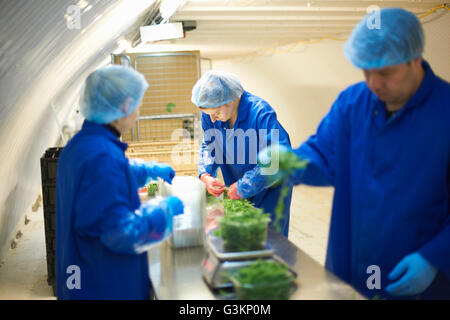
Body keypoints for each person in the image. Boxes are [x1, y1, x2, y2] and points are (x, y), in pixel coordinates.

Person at [258, 8, 450, 299]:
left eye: (385, 72)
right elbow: (323, 155)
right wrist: (292, 162)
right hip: (350, 266)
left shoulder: (445, 112)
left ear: (416, 58)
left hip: (415, 275)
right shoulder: (352, 104)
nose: (373, 83)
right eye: (366, 71)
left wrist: (436, 256)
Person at [56, 65, 184, 299]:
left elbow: (106, 181)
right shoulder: (103, 157)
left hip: (82, 275)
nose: (137, 113)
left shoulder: (81, 146)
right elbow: (121, 234)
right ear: (125, 106)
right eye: (137, 104)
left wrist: (148, 170)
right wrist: (163, 212)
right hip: (106, 285)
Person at [192, 70, 293, 237]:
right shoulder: (210, 117)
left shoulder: (261, 113)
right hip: (237, 186)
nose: (212, 120)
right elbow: (210, 145)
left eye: (216, 113)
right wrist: (205, 174)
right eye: (208, 115)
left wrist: (245, 185)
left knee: (267, 239)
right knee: (240, 236)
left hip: (270, 190)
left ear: (230, 100)